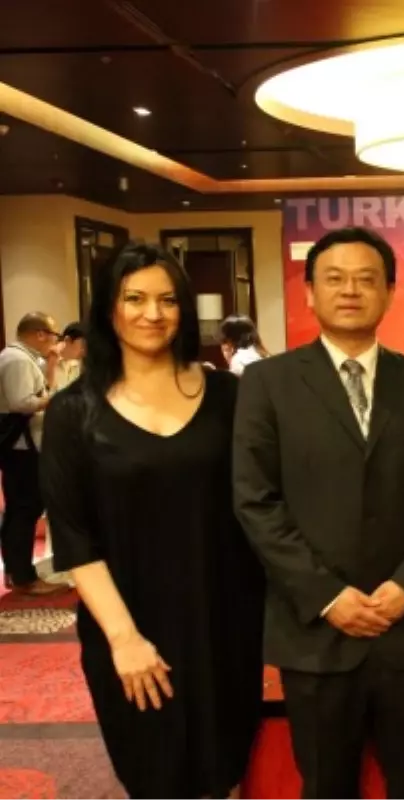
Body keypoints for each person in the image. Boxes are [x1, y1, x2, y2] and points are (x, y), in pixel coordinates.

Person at [233, 227, 404, 800]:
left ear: (389, 292)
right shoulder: (267, 383)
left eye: (366, 279)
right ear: (310, 292)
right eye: (334, 279)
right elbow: (256, 500)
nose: (350, 290)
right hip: (316, 632)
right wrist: (328, 596)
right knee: (327, 786)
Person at [39, 242, 264, 799]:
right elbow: (74, 538)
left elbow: (260, 504)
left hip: (224, 621)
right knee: (155, 776)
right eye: (134, 298)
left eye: (167, 299)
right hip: (128, 621)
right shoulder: (74, 411)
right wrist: (124, 640)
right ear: (108, 308)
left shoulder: (229, 395)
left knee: (224, 771)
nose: (152, 313)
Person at [0, 311, 66, 595]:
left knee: (21, 509)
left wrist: (50, 368)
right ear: (40, 334)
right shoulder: (16, 359)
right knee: (24, 510)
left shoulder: (24, 358)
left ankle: (17, 572)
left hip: (23, 447)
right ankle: (23, 577)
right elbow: (21, 402)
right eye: (54, 335)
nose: (55, 340)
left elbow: (38, 391)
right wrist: (57, 399)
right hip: (21, 448)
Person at [54, 322, 86, 389]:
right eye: (83, 345)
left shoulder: (79, 364)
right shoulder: (48, 362)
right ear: (67, 340)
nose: (84, 350)